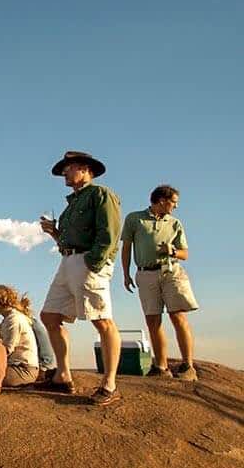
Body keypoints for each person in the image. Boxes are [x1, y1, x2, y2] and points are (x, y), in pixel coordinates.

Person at [38, 150, 123, 406]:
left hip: (89, 262)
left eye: (69, 167)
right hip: (68, 261)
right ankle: (63, 375)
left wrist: (93, 263)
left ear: (85, 169)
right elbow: (67, 240)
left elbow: (109, 234)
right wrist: (54, 233)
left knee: (102, 321)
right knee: (50, 316)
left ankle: (110, 384)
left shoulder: (101, 195)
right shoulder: (72, 204)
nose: (65, 172)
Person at [121, 185, 199, 381]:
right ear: (162, 200)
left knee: (178, 316)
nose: (175, 206)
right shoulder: (134, 219)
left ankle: (188, 366)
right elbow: (126, 248)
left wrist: (172, 251)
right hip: (145, 274)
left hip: (171, 272)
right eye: (174, 202)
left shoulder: (175, 223)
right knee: (152, 320)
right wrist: (125, 274)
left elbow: (185, 254)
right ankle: (161, 367)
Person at [0, 284, 40, 386]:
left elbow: (6, 350)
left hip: (22, 370)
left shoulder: (13, 320)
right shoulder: (9, 319)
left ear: (0, 301)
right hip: (19, 368)